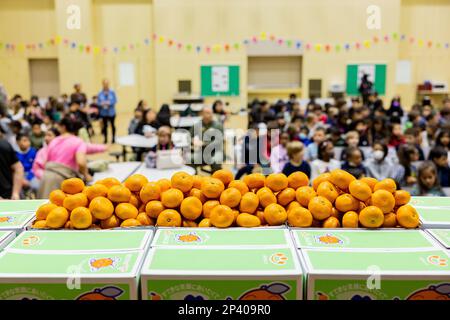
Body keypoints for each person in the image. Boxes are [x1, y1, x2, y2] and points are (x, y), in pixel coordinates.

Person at [38, 116, 91, 198]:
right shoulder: (78, 141)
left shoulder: (54, 140)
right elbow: (81, 162)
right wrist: (86, 175)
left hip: (46, 177)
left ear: (63, 127)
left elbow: (46, 161)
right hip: (63, 180)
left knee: (45, 207)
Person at [190, 107, 224, 173]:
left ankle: (216, 180)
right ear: (202, 114)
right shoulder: (197, 125)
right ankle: (195, 180)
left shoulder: (218, 125)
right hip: (201, 152)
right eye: (208, 113)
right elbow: (189, 136)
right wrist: (192, 140)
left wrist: (204, 143)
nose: (210, 115)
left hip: (215, 152)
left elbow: (218, 141)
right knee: (189, 159)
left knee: (216, 160)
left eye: (211, 113)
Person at [97, 79, 117, 143]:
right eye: (104, 83)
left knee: (112, 125)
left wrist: (109, 103)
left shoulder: (112, 92)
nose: (106, 85)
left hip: (111, 112)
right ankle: (105, 139)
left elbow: (115, 100)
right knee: (105, 126)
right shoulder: (100, 93)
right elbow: (98, 102)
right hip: (104, 112)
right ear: (102, 84)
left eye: (107, 83)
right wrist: (101, 104)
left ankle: (113, 138)